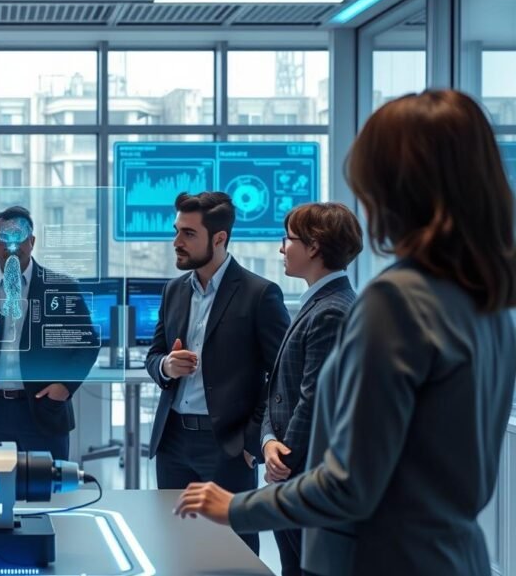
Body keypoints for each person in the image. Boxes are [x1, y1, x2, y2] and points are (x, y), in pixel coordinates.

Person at [176, 90, 516, 576]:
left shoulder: (398, 302)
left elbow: (348, 485)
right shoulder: (489, 298)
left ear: (399, 189)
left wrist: (235, 507)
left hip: (380, 559)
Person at [146, 191, 289, 554]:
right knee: (176, 544)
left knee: (232, 551)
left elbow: (282, 375)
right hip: (173, 441)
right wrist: (166, 366)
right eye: (176, 231)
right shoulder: (174, 290)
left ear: (220, 238)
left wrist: (252, 438)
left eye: (188, 234)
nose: (176, 242)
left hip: (226, 445)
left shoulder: (260, 294)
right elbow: (154, 355)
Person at [0, 206, 97, 461]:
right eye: (4, 237)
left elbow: (88, 343)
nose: (11, 244)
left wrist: (65, 386)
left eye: (19, 236)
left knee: (48, 496)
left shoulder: (62, 288)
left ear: (32, 241)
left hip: (43, 410)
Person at [261, 202, 362, 576]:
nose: (281, 248)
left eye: (287, 239)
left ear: (314, 246)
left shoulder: (332, 310)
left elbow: (313, 400)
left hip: (303, 479)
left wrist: (283, 459)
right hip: (292, 472)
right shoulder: (318, 304)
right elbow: (279, 390)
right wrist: (268, 440)